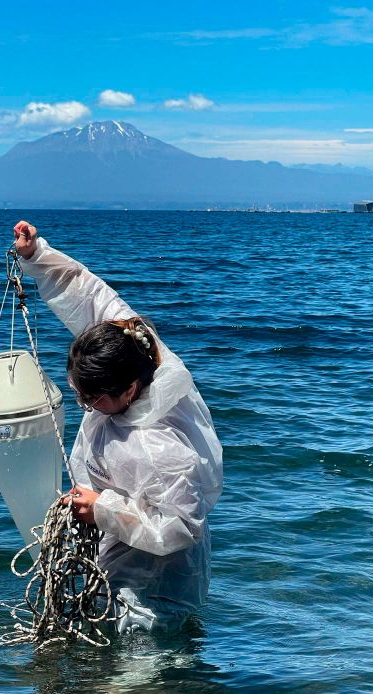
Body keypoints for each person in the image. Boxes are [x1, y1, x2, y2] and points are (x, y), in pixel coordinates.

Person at [12, 220, 223, 633]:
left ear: (128, 389)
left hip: (161, 578)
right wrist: (37, 255)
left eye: (92, 399)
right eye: (79, 393)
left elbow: (180, 527)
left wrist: (102, 509)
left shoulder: (159, 444)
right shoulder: (136, 347)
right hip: (119, 543)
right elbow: (91, 297)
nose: (86, 405)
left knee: (139, 677)